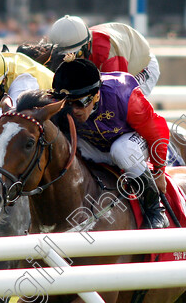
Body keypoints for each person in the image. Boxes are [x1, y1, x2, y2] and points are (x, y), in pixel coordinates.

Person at [50, 58, 168, 229]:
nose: (74, 110)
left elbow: (157, 131)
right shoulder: (58, 104)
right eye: (68, 103)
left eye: (80, 103)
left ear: (97, 94)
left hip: (129, 142)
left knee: (121, 151)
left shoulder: (123, 94)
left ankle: (155, 209)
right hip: (94, 147)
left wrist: (159, 171)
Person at [47, 15, 159, 96]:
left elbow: (117, 90)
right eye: (64, 56)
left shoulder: (106, 54)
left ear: (88, 46)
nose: (71, 60)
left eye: (76, 54)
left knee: (123, 100)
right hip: (120, 49)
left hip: (142, 66)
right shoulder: (78, 41)